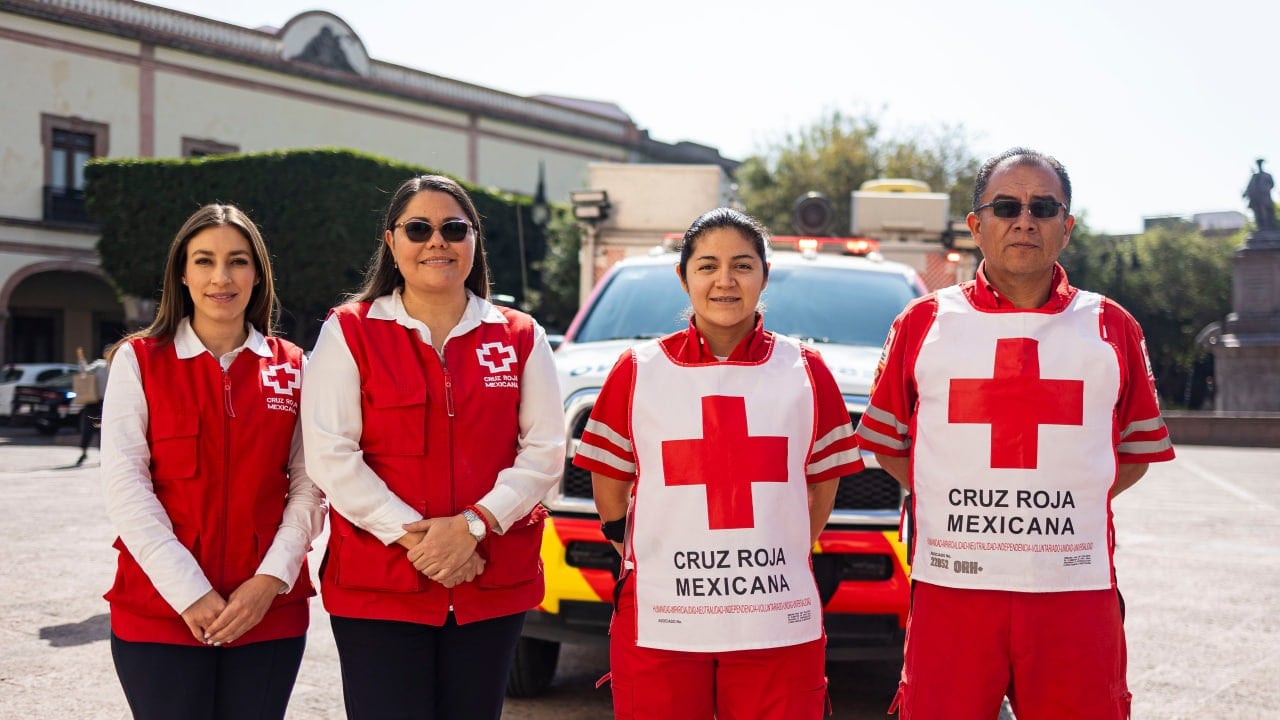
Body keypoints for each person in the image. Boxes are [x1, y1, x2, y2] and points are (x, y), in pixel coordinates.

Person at [855, 148, 1176, 720]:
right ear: (976, 226)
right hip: (953, 588)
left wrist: (1062, 502)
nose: (1024, 220)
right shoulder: (924, 323)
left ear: (1066, 226)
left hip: (1073, 588)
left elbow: (1133, 455)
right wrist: (949, 490)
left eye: (1043, 207)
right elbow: (885, 442)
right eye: (1006, 206)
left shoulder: (1111, 325)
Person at [574, 208, 859, 720]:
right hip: (664, 610)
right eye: (707, 266)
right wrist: (639, 547)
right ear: (682, 277)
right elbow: (610, 481)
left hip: (776, 609)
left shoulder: (806, 370)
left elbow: (822, 485)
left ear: (765, 276)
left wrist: (774, 546)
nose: (724, 281)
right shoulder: (639, 370)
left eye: (742, 266)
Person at [300, 174, 566, 719]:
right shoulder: (349, 331)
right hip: (380, 586)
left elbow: (544, 450)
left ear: (474, 242)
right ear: (392, 243)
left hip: (490, 577)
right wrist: (423, 541)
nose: (436, 241)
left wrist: (471, 527)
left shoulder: (520, 335)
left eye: (453, 228)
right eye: (418, 228)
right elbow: (331, 454)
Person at [100, 204, 325, 719]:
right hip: (159, 612)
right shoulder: (140, 360)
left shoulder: (293, 368)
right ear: (182, 273)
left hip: (268, 612)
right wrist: (191, 593)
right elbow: (125, 486)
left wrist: (268, 583)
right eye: (204, 261)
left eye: (238, 261)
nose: (220, 277)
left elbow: (310, 487)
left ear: (257, 273)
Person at [75, 344, 110, 466]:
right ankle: (83, 452)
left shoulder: (117, 365)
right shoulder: (99, 365)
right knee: (87, 428)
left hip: (109, 403)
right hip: (94, 401)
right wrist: (81, 359)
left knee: (104, 431)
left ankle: (103, 456)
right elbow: (84, 371)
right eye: (107, 351)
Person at [1243, 157, 1277, 232]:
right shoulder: (1254, 176)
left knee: (1269, 212)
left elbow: (1272, 184)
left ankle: (1270, 227)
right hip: (1258, 199)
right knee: (1259, 213)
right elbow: (1250, 187)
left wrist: (1265, 189)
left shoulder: (1267, 175)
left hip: (1266, 197)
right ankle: (1262, 227)